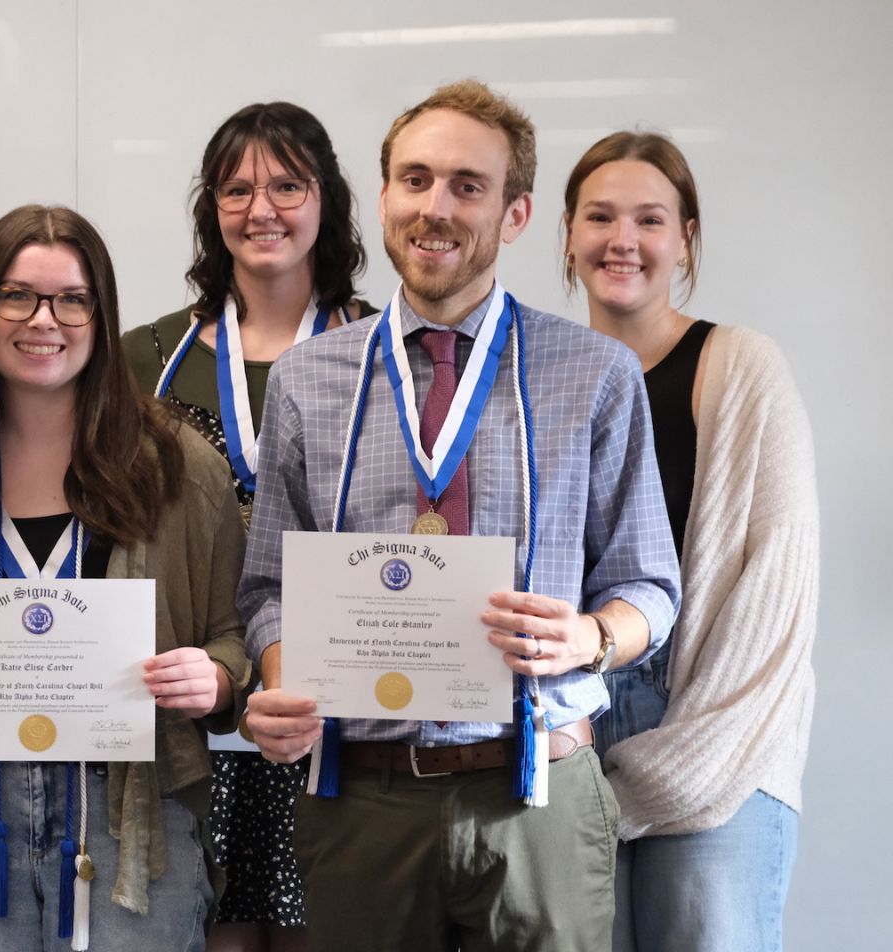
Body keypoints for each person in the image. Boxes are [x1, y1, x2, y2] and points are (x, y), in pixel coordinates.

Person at [238, 80, 681, 952]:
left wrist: (588, 638)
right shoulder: (307, 379)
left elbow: (651, 586)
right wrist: (283, 678)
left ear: (515, 214)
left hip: (536, 792)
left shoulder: (594, 373)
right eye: (415, 179)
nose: (435, 208)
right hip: (360, 799)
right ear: (383, 197)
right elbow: (266, 588)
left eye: (467, 186)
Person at [0, 204, 252, 951]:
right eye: (16, 295)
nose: (44, 319)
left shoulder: (179, 468)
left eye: (71, 299)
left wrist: (218, 681)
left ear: (101, 316)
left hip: (133, 820)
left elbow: (231, 638)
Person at [121, 101, 372, 952]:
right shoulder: (145, 359)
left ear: (327, 201)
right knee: (213, 933)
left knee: (323, 929)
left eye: (287, 186)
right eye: (236, 189)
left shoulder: (384, 352)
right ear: (211, 209)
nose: (261, 208)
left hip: (333, 705)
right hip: (192, 703)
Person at [562, 131, 818, 952]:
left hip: (717, 727)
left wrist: (691, 750)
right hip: (569, 726)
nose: (622, 240)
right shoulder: (541, 376)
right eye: (600, 216)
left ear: (686, 238)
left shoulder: (742, 365)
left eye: (650, 219)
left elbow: (779, 583)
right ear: (566, 233)